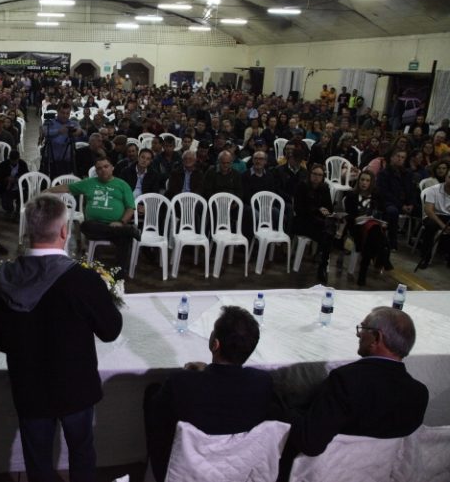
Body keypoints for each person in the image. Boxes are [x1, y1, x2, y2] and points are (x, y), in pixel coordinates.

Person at [0, 194, 122, 482]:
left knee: (37, 461)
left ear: (27, 231)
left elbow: (0, 341)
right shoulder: (84, 280)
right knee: (81, 452)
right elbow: (110, 331)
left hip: (29, 388)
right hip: (76, 387)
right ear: (64, 231)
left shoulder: (3, 278)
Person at [280, 307, 429, 480]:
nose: (359, 335)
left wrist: (287, 410)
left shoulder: (346, 380)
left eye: (363, 329)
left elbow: (310, 443)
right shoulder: (419, 395)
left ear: (376, 338)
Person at [144, 306, 275, 482]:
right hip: (237, 471)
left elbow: (157, 415)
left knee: (152, 395)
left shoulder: (181, 382)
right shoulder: (262, 383)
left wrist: (193, 376)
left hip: (186, 471)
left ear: (215, 344)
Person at [49, 156, 138, 277]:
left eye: (106, 167)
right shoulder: (89, 183)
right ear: (96, 171)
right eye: (99, 168)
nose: (103, 170)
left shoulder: (122, 185)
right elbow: (67, 187)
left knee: (124, 239)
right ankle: (128, 230)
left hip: (117, 224)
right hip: (95, 226)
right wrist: (48, 190)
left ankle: (119, 274)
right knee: (85, 226)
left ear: (112, 168)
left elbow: (130, 208)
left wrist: (122, 222)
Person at [344, 170, 392, 286]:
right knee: (375, 236)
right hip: (357, 227)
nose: (364, 183)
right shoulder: (351, 196)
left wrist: (383, 222)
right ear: (358, 181)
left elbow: (383, 212)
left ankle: (363, 273)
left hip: (373, 227)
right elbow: (348, 216)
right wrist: (356, 219)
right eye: (362, 180)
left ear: (372, 183)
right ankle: (383, 258)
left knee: (373, 231)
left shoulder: (376, 196)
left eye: (367, 180)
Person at [294, 164, 335, 283]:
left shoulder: (324, 188)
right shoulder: (302, 186)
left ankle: (322, 263)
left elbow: (329, 208)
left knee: (327, 232)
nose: (317, 177)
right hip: (303, 221)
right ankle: (322, 264)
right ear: (310, 175)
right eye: (315, 174)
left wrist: (326, 211)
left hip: (319, 223)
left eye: (320, 175)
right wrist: (317, 210)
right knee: (328, 233)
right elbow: (299, 209)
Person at [376, 149, 415, 250]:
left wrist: (411, 204)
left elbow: (411, 191)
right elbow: (384, 193)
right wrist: (401, 205)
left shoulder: (407, 174)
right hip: (388, 202)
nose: (400, 159)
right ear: (392, 157)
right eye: (398, 156)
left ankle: (416, 241)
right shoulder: (383, 173)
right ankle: (392, 241)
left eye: (403, 157)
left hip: (404, 203)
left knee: (424, 212)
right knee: (392, 211)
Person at [416, 171, 450, 269]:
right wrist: (444, 226)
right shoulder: (433, 190)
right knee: (430, 226)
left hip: (447, 216)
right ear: (446, 177)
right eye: (449, 177)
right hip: (433, 215)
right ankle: (425, 258)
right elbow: (429, 211)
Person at [0, 150, 29, 215]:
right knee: (6, 205)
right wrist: (6, 179)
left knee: (23, 196)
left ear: (18, 158)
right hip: (7, 188)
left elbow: (26, 178)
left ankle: (18, 210)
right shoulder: (3, 165)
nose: (14, 162)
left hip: (20, 188)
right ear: (9, 158)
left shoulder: (23, 164)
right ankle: (9, 210)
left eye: (15, 160)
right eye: (12, 160)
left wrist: (17, 179)